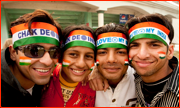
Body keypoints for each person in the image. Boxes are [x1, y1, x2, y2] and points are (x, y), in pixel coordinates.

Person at [1, 9, 62, 107]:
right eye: (34, 50)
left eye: (54, 52)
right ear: (13, 53)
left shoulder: (49, 81)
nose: (47, 61)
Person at [125, 13, 179, 107]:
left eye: (154, 45)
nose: (142, 55)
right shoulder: (130, 76)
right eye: (135, 45)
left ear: (170, 52)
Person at [40, 25, 96, 107]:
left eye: (88, 56)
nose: (81, 64)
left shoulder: (97, 86)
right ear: (61, 55)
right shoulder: (43, 79)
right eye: (73, 54)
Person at [89, 23, 137, 107]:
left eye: (120, 52)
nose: (111, 60)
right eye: (103, 52)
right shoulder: (83, 79)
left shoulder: (141, 80)